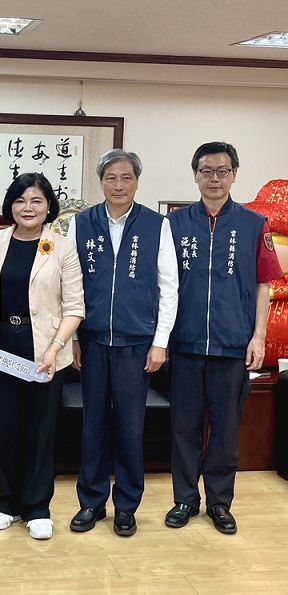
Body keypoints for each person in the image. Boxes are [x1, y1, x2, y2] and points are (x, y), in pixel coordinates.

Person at [0, 173, 84, 540]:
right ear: (10, 205)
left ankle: (38, 507)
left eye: (36, 201)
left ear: (48, 207)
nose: (28, 208)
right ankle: (7, 503)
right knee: (9, 428)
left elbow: (74, 308)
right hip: (4, 350)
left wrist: (55, 348)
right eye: (20, 201)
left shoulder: (62, 247)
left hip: (46, 352)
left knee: (41, 430)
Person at [164, 141, 282, 534]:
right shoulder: (175, 224)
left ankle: (219, 502)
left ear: (234, 175)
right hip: (185, 343)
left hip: (233, 345)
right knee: (183, 427)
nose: (214, 178)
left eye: (222, 171)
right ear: (195, 175)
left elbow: (265, 284)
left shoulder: (253, 225)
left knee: (226, 429)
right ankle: (185, 499)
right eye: (206, 171)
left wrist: (258, 337)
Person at [66, 149, 179, 537]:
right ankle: (91, 502)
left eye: (126, 177)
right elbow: (71, 286)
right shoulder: (81, 223)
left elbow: (169, 287)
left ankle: (127, 506)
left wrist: (160, 342)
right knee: (92, 425)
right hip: (93, 341)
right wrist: (74, 338)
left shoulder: (157, 225)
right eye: (111, 178)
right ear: (100, 182)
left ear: (137, 182)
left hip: (137, 344)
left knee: (131, 428)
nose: (118, 185)